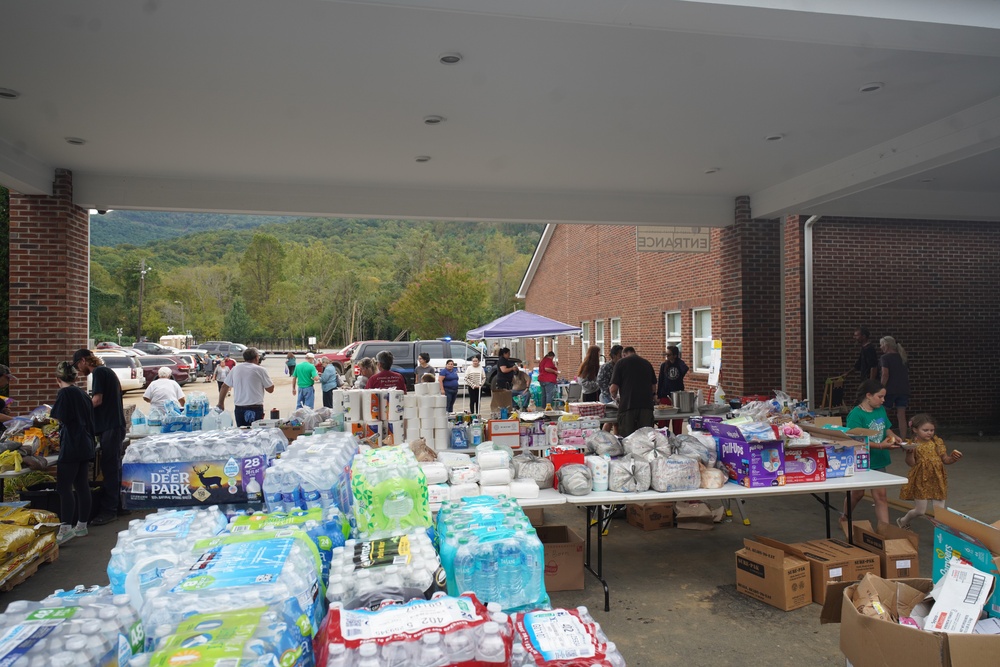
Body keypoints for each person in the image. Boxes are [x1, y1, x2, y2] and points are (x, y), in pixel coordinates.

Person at [72, 348, 126, 527]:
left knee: (109, 469)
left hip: (110, 427)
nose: (79, 371)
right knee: (114, 468)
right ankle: (120, 504)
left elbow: (97, 400)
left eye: (77, 366)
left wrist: (78, 410)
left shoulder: (99, 373)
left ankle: (109, 510)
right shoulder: (107, 371)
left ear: (83, 361)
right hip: (113, 426)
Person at [842, 379, 903, 526]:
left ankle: (885, 528)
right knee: (857, 493)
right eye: (880, 396)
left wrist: (893, 436)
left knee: (881, 496)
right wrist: (880, 445)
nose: (883, 400)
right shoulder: (856, 415)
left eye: (884, 397)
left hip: (879, 460)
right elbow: (856, 440)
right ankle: (844, 517)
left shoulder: (880, 410)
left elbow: (886, 427)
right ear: (868, 395)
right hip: (861, 460)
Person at [50, 360, 96, 545]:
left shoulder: (64, 393)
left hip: (71, 445)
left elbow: (58, 417)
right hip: (86, 443)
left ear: (57, 379)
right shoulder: (83, 394)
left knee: (64, 488)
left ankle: (66, 527)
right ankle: (82, 525)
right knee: (82, 485)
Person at [897, 413, 963, 529]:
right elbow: (911, 463)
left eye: (932, 430)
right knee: (920, 511)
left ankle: (939, 535)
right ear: (915, 429)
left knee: (940, 511)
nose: (929, 433)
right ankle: (903, 520)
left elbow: (945, 460)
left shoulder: (937, 442)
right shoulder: (912, 444)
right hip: (921, 479)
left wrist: (953, 458)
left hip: (937, 478)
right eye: (925, 430)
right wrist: (909, 453)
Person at [218, 347, 274, 427]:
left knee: (242, 435)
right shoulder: (261, 370)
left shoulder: (235, 369)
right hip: (255, 408)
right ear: (256, 358)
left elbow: (224, 386)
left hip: (239, 408)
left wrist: (221, 403)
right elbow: (270, 389)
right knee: (255, 434)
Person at [609, 347, 657, 438]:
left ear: (624, 354)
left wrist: (614, 397)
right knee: (647, 438)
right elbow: (653, 387)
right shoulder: (647, 363)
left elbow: (613, 389)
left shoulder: (621, 363)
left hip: (628, 406)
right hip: (646, 406)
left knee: (628, 438)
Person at [879, 336, 911, 438]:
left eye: (881, 344)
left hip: (889, 390)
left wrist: (880, 388)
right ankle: (903, 439)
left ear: (886, 345)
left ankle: (881, 437)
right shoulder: (903, 357)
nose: (880, 347)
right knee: (901, 416)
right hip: (903, 389)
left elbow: (885, 374)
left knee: (882, 414)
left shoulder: (885, 358)